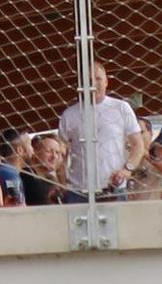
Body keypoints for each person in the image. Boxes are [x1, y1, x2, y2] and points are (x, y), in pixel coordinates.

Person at [56, 62, 143, 201]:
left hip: (114, 188)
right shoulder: (69, 115)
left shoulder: (121, 108)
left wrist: (127, 169)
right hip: (78, 190)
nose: (93, 84)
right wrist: (62, 182)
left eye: (98, 79)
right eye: (89, 80)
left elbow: (138, 144)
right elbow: (61, 151)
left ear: (106, 81)